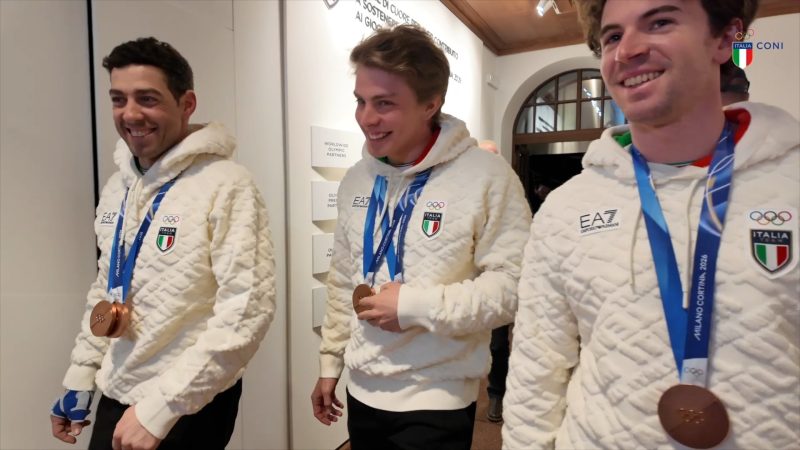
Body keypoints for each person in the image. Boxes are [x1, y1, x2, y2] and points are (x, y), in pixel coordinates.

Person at [503, 0, 799, 448]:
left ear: (724, 37)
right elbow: (535, 373)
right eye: (613, 36)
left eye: (660, 22)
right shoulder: (567, 207)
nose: (627, 51)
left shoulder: (790, 182)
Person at [311, 25, 531, 449]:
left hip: (437, 396)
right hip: (362, 389)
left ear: (431, 104)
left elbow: (515, 286)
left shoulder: (486, 176)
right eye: (360, 101)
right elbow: (341, 279)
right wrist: (330, 362)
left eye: (385, 103)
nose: (366, 118)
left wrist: (414, 307)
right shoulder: (357, 179)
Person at [49, 37, 276, 450]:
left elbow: (248, 309)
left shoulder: (227, 184)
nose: (130, 113)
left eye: (147, 99)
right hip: (119, 384)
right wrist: (81, 374)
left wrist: (163, 407)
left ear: (187, 103)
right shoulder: (118, 187)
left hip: (189, 401)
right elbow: (107, 286)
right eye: (118, 99)